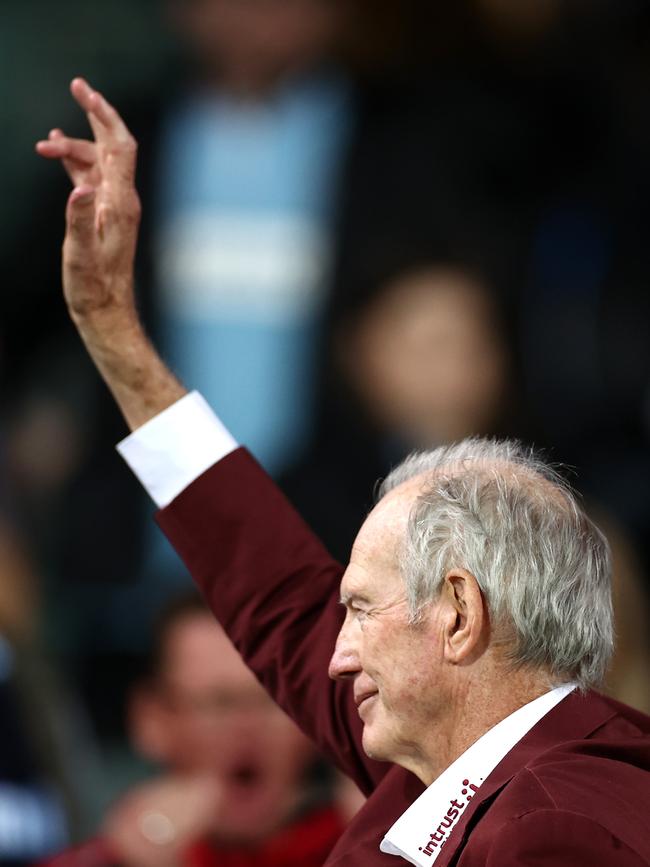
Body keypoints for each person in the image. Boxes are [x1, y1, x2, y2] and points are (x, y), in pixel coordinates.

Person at [37, 79, 650, 866]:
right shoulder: (455, 759)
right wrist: (112, 329)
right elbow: (277, 594)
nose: (335, 652)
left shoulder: (554, 828)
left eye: (359, 610)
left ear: (458, 614)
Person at [42, 593, 352, 867]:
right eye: (221, 703)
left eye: (272, 700)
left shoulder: (369, 847)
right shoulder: (106, 860)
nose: (247, 724)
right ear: (152, 720)